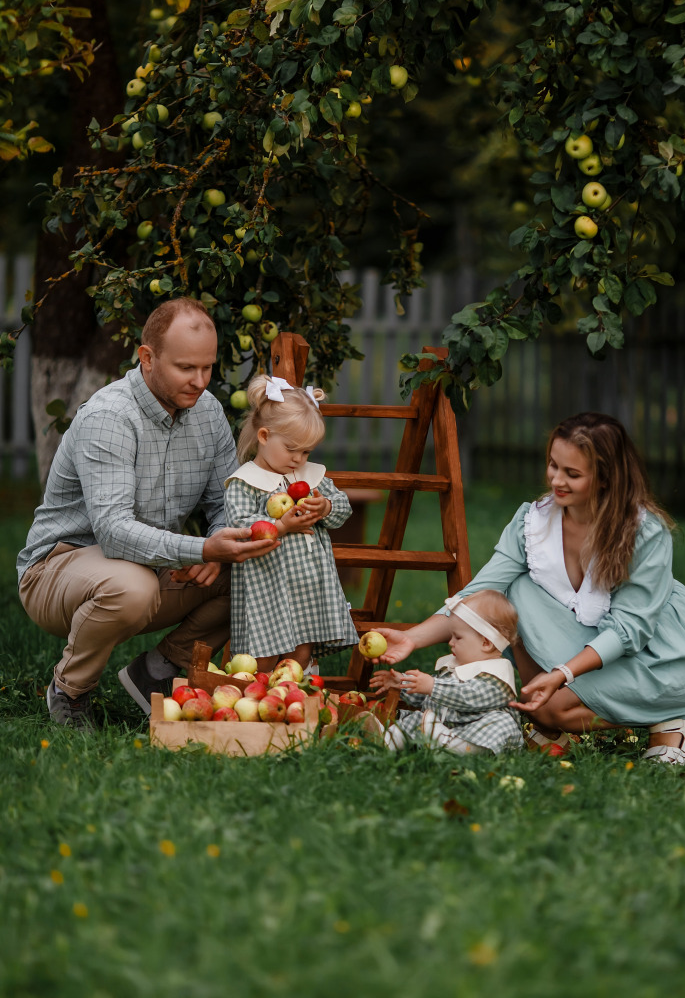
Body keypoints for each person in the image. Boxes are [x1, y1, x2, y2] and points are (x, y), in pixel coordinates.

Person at [376, 413, 685, 766]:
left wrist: (563, 674)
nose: (556, 480)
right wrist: (412, 637)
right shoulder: (533, 522)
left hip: (655, 657)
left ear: (605, 479)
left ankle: (672, 720)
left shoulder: (644, 533)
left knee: (553, 708)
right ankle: (555, 723)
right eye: (553, 465)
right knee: (511, 594)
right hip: (585, 639)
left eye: (572, 474)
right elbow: (480, 596)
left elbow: (628, 630)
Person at [18, 298, 280, 732]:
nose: (200, 382)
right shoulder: (110, 417)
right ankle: (70, 690)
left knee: (257, 566)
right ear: (147, 357)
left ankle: (159, 671)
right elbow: (115, 534)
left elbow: (225, 502)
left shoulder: (208, 412)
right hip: (58, 569)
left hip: (149, 566)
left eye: (207, 368)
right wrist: (199, 547)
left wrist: (217, 548)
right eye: (185, 368)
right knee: (131, 586)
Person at [223, 374, 359, 673]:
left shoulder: (311, 478)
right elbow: (242, 529)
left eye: (307, 451)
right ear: (263, 436)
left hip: (311, 583)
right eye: (292, 449)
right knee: (265, 652)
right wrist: (281, 526)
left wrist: (325, 506)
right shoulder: (246, 483)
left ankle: (298, 692)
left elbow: (343, 507)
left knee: (303, 645)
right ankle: (260, 694)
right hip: (268, 584)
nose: (299, 459)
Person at [370, 589, 524, 755]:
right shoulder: (455, 667)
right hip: (446, 728)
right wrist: (403, 684)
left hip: (475, 735)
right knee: (417, 719)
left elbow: (467, 696)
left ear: (486, 643)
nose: (450, 642)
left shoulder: (496, 677)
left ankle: (464, 749)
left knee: (502, 723)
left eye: (458, 637)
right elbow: (431, 697)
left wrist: (432, 685)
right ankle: (385, 741)